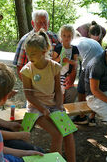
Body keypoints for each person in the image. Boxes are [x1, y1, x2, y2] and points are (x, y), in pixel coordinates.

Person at [20, 30, 76, 162]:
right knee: (57, 135)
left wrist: (59, 105)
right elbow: (29, 95)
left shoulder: (54, 67)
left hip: (53, 105)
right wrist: (42, 108)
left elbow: (57, 90)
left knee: (68, 133)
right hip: (35, 108)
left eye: (33, 54)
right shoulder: (27, 70)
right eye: (27, 53)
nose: (29, 57)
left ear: (44, 51)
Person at [13, 10, 60, 80]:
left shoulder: (55, 38)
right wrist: (30, 85)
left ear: (48, 23)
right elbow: (20, 67)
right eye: (39, 23)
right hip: (34, 82)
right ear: (33, 23)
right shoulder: (26, 40)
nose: (42, 26)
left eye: (45, 22)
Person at [71, 35, 104, 126]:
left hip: (91, 64)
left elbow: (74, 64)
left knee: (81, 91)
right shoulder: (88, 41)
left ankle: (82, 117)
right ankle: (92, 118)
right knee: (95, 91)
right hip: (102, 64)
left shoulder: (73, 43)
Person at [52, 25, 79, 104]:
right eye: (64, 35)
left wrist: (68, 61)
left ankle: (61, 109)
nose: (66, 38)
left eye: (69, 36)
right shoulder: (58, 47)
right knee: (56, 91)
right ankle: (56, 108)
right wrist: (59, 58)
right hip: (57, 74)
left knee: (62, 92)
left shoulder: (74, 49)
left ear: (72, 37)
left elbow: (76, 63)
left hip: (66, 74)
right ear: (61, 36)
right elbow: (52, 61)